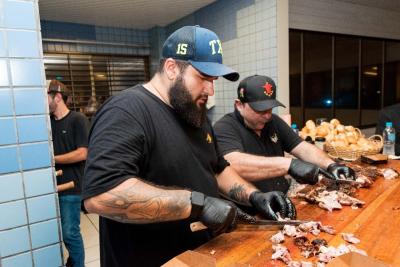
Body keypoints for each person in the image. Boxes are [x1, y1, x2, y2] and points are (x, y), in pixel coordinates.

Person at [82, 26, 296, 267]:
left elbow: (217, 169)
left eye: (213, 81)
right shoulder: (126, 110)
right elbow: (101, 196)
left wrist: (254, 196)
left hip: (203, 254)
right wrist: (196, 204)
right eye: (203, 78)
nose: (210, 90)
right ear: (172, 68)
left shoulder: (196, 115)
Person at [214, 75, 355, 193]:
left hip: (283, 197)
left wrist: (331, 165)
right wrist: (289, 165)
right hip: (251, 206)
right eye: (260, 110)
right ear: (239, 105)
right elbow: (233, 163)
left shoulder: (273, 121)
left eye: (270, 109)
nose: (267, 116)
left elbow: (302, 148)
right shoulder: (225, 127)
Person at [48, 80, 89, 267]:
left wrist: (52, 159)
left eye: (45, 97)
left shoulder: (77, 119)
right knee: (56, 233)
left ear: (57, 97)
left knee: (70, 232)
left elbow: (83, 153)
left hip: (72, 186)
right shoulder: (47, 123)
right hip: (51, 186)